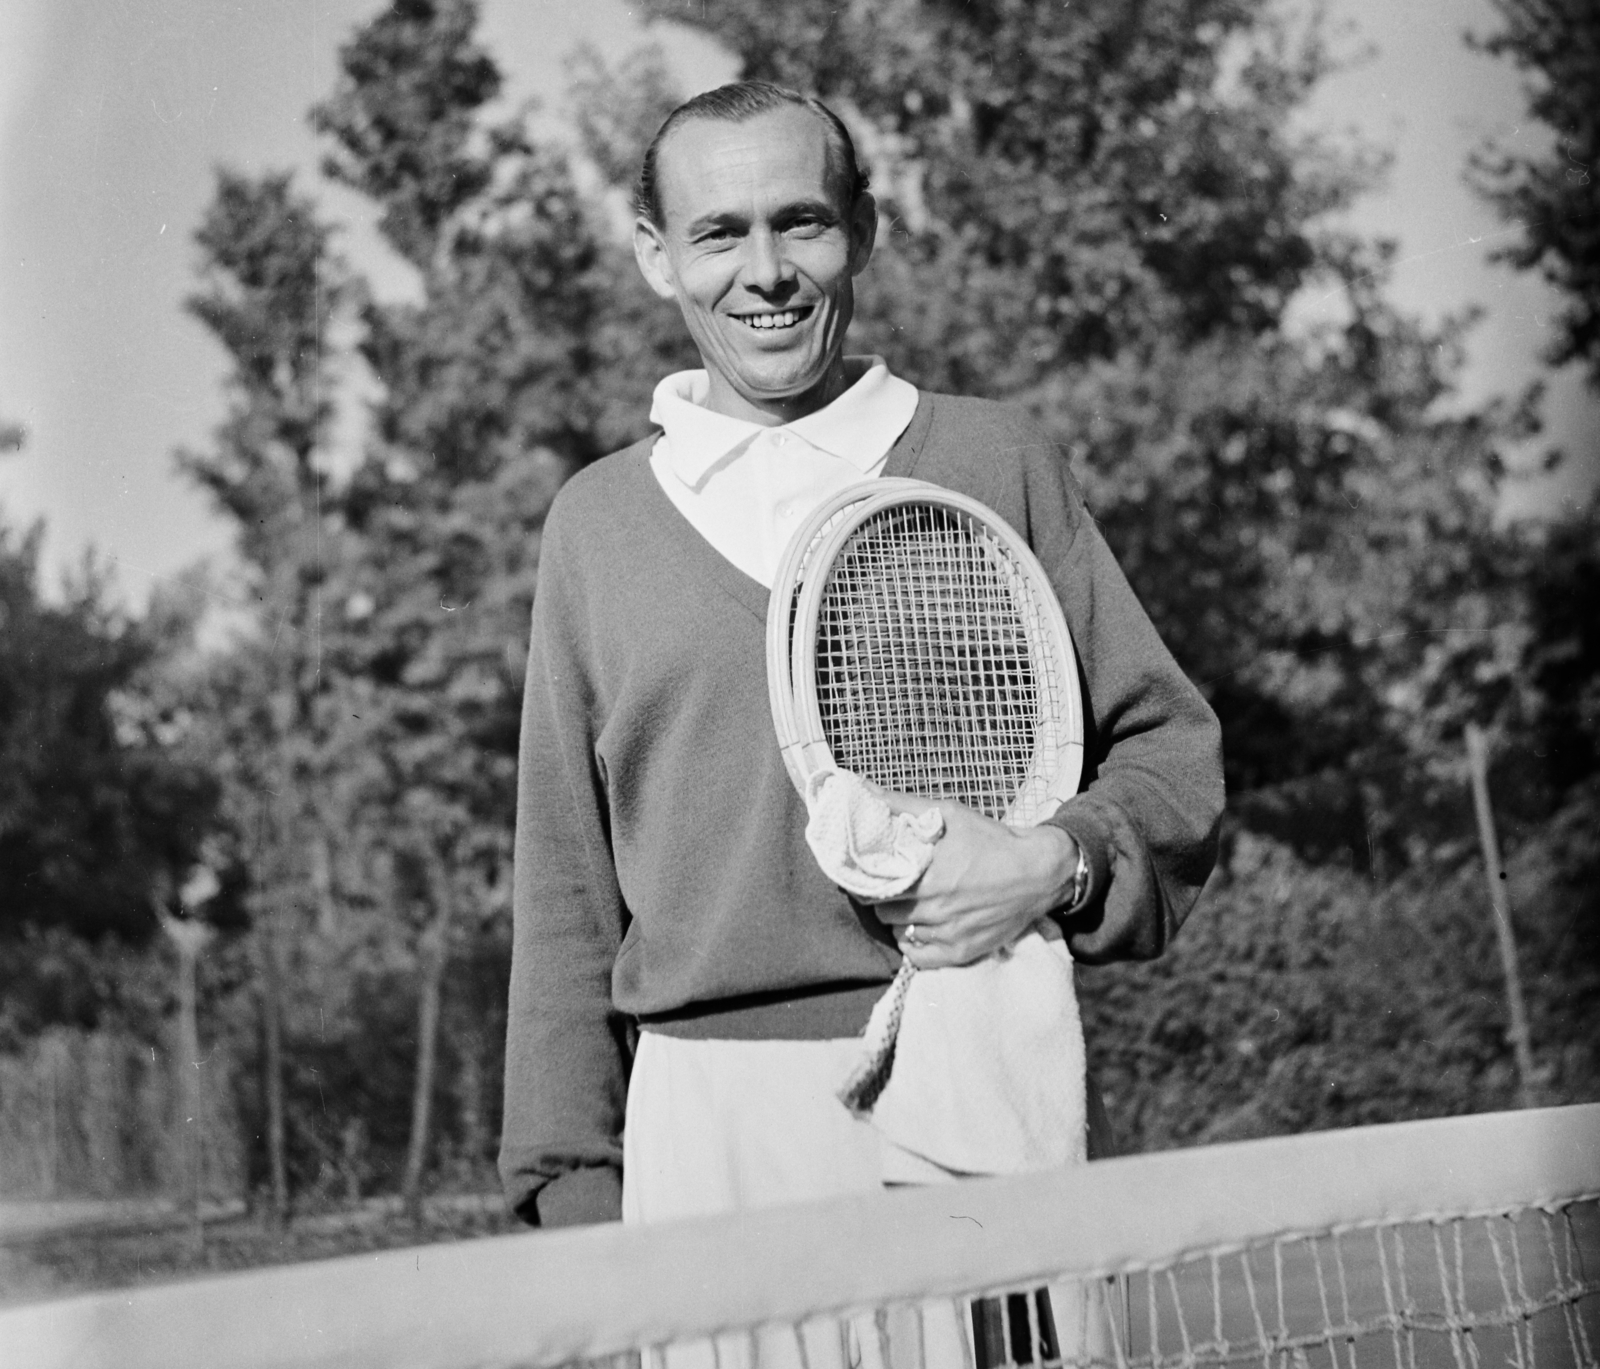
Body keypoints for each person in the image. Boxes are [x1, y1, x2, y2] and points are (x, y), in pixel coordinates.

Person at [498, 82, 1222, 1238]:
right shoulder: (595, 523)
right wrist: (567, 1177)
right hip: (705, 1126)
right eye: (718, 233)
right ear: (655, 255)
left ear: (863, 233)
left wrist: (1058, 862)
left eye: (803, 222)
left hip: (985, 1081)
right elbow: (565, 883)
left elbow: (1170, 754)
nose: (767, 271)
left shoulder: (995, 458)